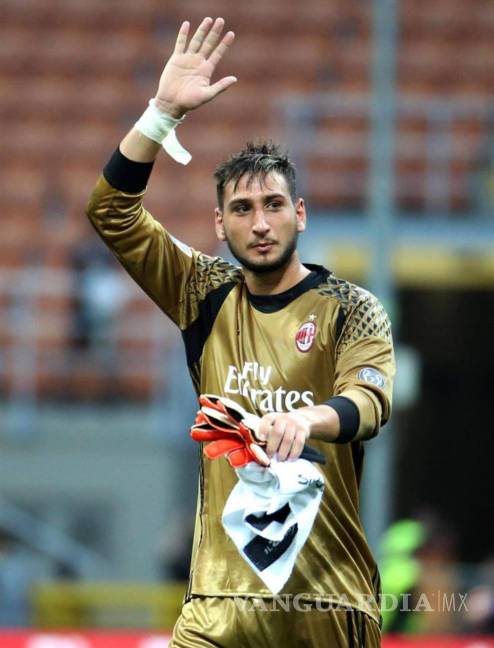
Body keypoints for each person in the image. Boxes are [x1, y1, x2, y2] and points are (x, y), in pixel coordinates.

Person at [87, 17, 395, 648]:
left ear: (300, 215)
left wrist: (305, 420)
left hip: (326, 602)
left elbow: (369, 402)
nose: (260, 223)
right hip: (218, 607)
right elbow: (110, 212)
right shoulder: (202, 292)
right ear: (219, 225)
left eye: (274, 205)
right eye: (242, 209)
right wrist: (161, 114)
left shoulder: (353, 308)